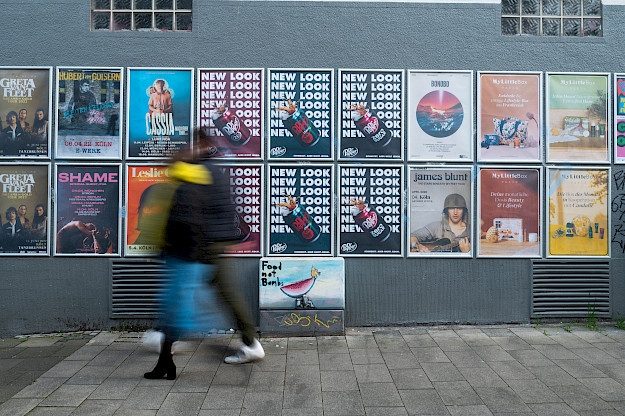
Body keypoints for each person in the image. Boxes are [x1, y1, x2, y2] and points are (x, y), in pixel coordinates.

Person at [144, 129, 264, 381]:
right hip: (209, 242)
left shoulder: (201, 170)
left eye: (194, 144)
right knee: (209, 291)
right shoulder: (210, 169)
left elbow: (177, 177)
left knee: (196, 291)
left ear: (201, 145)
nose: (190, 148)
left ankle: (171, 336)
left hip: (205, 244)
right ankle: (170, 338)